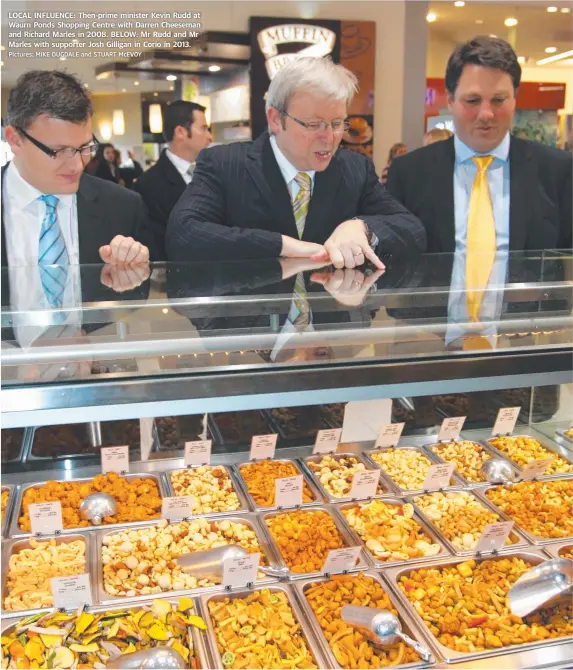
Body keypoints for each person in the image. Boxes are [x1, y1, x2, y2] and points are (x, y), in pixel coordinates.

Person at [167, 57, 426, 269]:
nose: (330, 137)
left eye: (338, 123)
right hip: (251, 324)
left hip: (330, 325)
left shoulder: (354, 168)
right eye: (314, 124)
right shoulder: (225, 163)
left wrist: (363, 228)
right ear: (276, 119)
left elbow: (412, 230)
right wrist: (283, 246)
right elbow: (183, 233)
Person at [1, 70, 155, 334]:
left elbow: (136, 298)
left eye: (85, 147)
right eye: (59, 151)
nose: (77, 164)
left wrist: (132, 275)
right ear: (15, 140)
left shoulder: (122, 205)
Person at [386, 36, 572, 253]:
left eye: (498, 100)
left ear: (515, 99)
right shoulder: (409, 173)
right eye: (473, 101)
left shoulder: (557, 171)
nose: (486, 114)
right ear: (450, 100)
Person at [135, 101, 212, 259]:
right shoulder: (149, 184)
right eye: (203, 128)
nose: (210, 137)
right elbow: (156, 245)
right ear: (180, 132)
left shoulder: (210, 174)